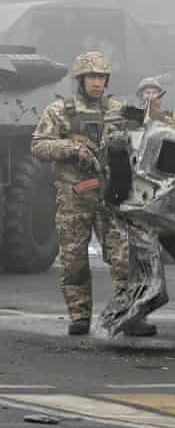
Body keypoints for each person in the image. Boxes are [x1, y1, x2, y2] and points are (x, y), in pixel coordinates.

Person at [31, 52, 156, 336]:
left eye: (101, 77)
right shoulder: (60, 111)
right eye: (92, 77)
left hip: (111, 197)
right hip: (74, 198)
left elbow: (148, 136)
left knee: (124, 259)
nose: (97, 83)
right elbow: (39, 146)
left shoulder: (118, 110)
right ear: (80, 79)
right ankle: (79, 316)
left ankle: (129, 315)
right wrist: (72, 149)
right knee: (74, 261)